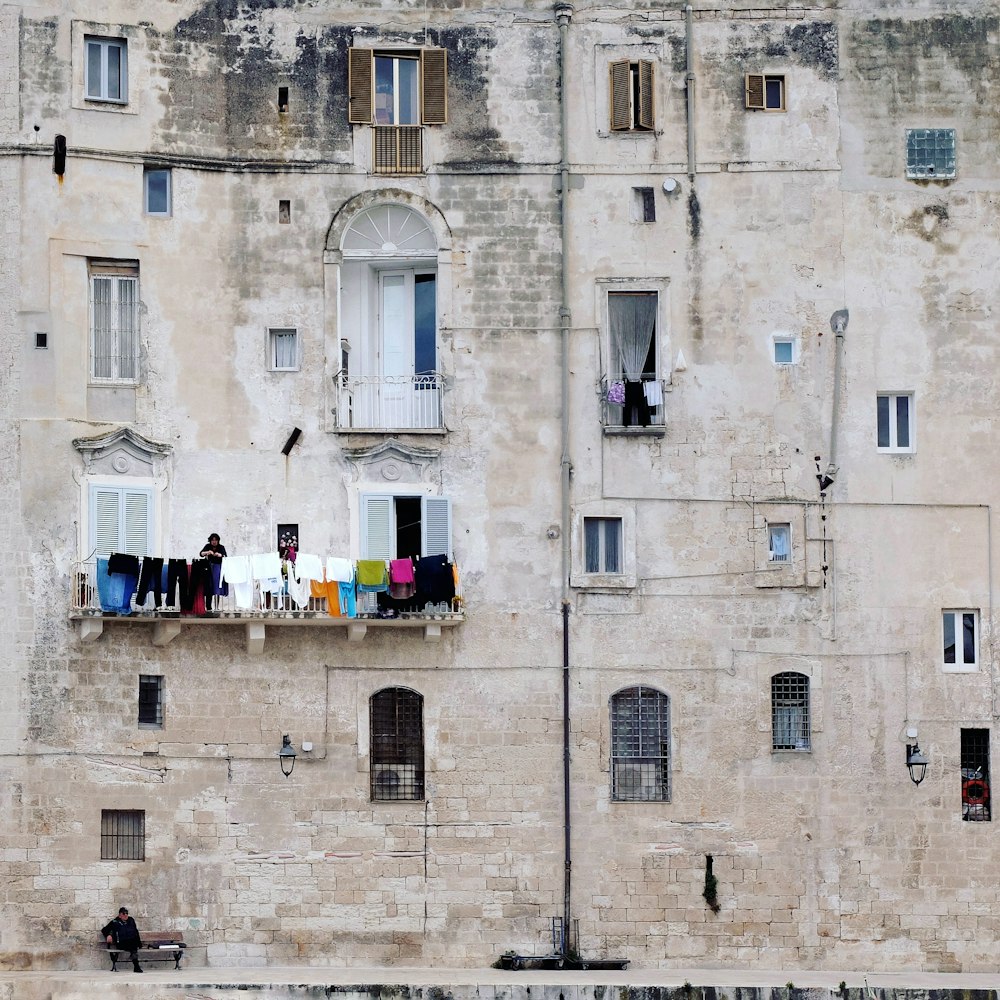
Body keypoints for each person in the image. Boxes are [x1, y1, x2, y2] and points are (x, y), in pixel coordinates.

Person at [102, 906, 143, 972]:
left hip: (132, 942)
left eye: (127, 913)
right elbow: (104, 930)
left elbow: (136, 931)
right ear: (120, 915)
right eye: (124, 913)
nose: (126, 915)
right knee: (133, 946)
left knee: (133, 945)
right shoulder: (115, 922)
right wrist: (108, 935)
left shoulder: (131, 920)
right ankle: (136, 966)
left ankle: (136, 966)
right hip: (121, 942)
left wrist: (139, 943)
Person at [199, 533, 228, 610]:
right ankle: (208, 606)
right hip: (208, 568)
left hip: (217, 568)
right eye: (212, 540)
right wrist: (207, 552)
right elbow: (201, 554)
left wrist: (219, 555)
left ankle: (216, 606)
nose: (214, 541)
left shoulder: (221, 547)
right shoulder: (207, 546)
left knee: (217, 586)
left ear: (218, 540)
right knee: (209, 586)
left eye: (216, 540)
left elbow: (225, 556)